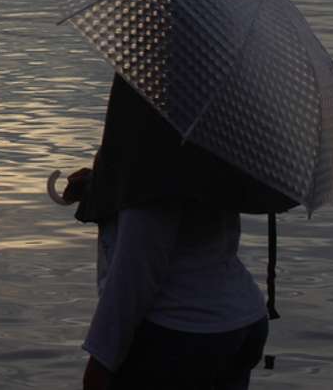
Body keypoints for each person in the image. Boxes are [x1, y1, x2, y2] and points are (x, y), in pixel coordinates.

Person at [64, 74, 288, 390]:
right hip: (239, 321)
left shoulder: (152, 130)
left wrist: (101, 361)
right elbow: (194, 201)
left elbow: (138, 267)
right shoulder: (209, 112)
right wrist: (102, 188)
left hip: (180, 335)